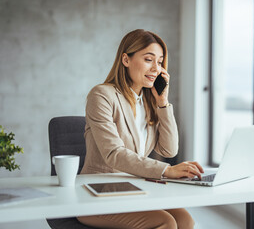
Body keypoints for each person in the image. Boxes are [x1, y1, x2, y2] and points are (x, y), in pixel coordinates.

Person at [77, 29, 204, 229]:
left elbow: (169, 150)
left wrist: (163, 103)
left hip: (135, 188)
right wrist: (166, 170)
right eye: (148, 59)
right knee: (166, 222)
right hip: (98, 192)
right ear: (126, 60)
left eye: (160, 61)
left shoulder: (149, 101)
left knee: (185, 220)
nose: (156, 68)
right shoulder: (101, 95)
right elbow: (113, 154)